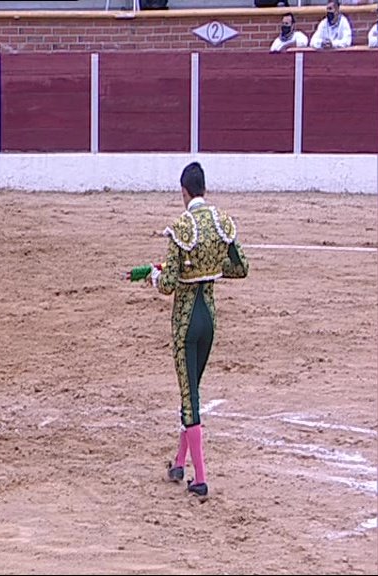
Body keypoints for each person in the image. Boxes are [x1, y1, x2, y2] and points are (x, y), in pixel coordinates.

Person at [128, 162, 249, 499]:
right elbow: (241, 268)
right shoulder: (222, 221)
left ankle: (201, 479)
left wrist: (154, 276)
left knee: (189, 397)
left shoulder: (182, 226)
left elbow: (168, 284)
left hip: (186, 321)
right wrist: (212, 269)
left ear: (184, 192)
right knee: (191, 392)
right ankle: (179, 463)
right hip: (209, 318)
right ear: (204, 188)